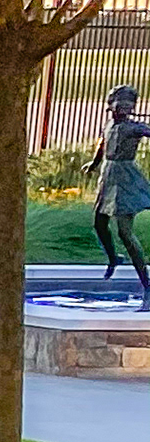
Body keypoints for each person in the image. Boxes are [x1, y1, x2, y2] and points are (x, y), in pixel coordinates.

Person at [99, 83, 148, 301]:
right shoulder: (109, 125)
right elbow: (103, 144)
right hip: (107, 176)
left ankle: (146, 283)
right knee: (99, 223)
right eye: (118, 106)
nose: (120, 110)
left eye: (125, 107)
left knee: (124, 232)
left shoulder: (134, 128)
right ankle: (114, 258)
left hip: (125, 180)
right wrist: (93, 163)